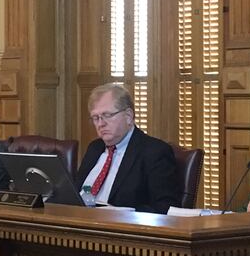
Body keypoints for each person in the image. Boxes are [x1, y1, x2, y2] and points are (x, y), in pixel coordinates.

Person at [76, 84, 179, 214]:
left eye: (107, 115)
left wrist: (121, 213)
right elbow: (75, 194)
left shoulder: (154, 152)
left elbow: (166, 208)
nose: (101, 124)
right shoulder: (95, 148)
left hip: (122, 229)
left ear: (128, 116)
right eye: (96, 118)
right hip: (80, 224)